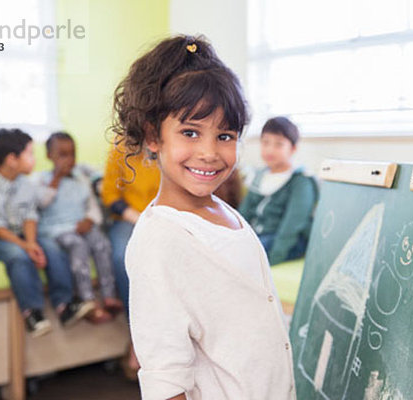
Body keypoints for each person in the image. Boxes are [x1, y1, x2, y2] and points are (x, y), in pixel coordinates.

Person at [112, 35, 295, 399]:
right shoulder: (158, 241)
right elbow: (166, 380)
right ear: (153, 137)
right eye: (190, 132)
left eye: (225, 135)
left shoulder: (223, 212)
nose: (210, 152)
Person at [0, 128, 93, 338]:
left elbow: (30, 216)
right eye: (30, 154)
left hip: (22, 235)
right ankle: (32, 313)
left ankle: (64, 306)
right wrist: (25, 246)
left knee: (52, 247)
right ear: (11, 159)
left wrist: (33, 243)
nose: (34, 160)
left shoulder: (25, 184)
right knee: (17, 256)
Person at [37, 132, 123, 324]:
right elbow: (41, 203)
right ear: (49, 156)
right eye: (62, 155)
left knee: (102, 243)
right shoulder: (42, 180)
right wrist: (56, 180)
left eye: (72, 154)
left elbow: (92, 206)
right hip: (57, 229)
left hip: (81, 225)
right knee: (79, 247)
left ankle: (109, 295)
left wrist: (90, 220)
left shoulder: (80, 178)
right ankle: (88, 301)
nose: (69, 160)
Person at [100, 140, 160, 378]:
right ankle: (137, 337)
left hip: (164, 216)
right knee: (123, 258)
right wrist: (139, 218)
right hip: (128, 219)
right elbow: (109, 194)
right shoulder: (120, 148)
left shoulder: (171, 145)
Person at [238, 116, 318, 265]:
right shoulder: (259, 176)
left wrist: (275, 256)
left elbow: (294, 223)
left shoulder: (300, 180)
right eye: (266, 142)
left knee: (249, 253)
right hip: (259, 234)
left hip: (286, 239)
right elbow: (244, 213)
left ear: (293, 149)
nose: (270, 149)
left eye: (278, 144)